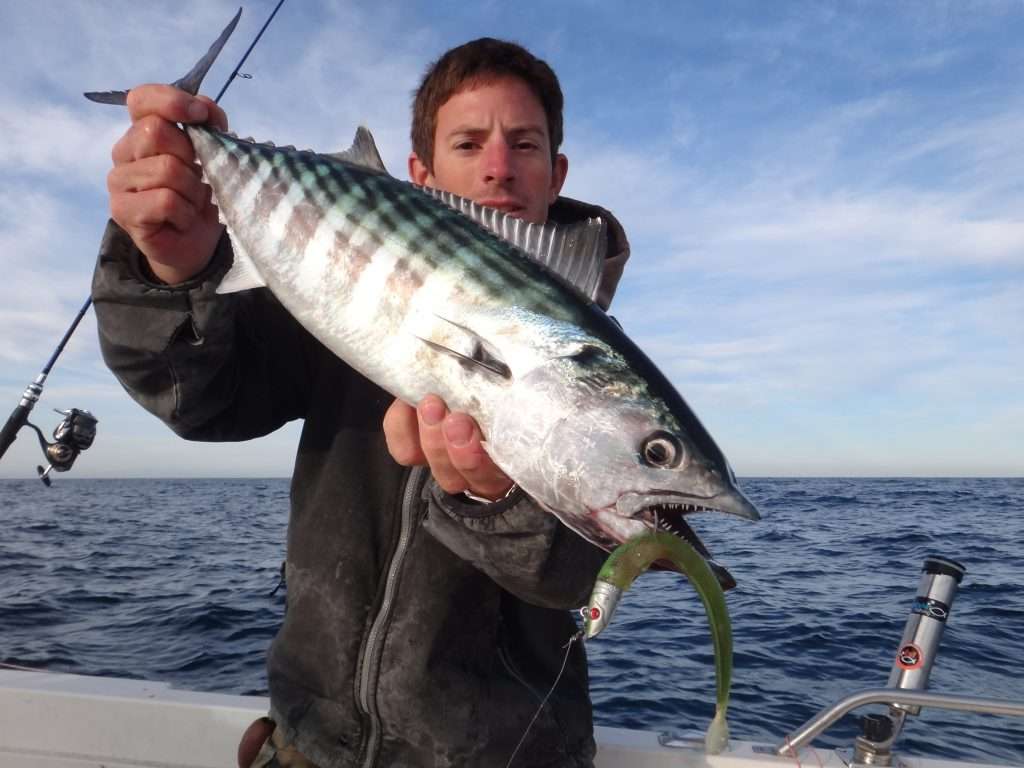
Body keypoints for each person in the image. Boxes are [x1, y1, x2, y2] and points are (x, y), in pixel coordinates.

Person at [92, 37, 630, 767]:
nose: (498, 166)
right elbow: (197, 400)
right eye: (468, 142)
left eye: (524, 143)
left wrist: (500, 497)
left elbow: (580, 573)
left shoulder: (598, 369)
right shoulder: (330, 298)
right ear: (419, 172)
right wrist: (169, 265)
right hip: (311, 746)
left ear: (555, 170)